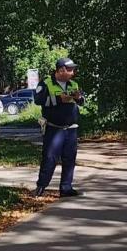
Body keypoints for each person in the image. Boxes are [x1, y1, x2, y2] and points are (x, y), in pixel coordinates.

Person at [33, 58, 84, 197]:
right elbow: (38, 100)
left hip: (71, 128)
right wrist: (58, 99)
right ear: (61, 70)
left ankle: (66, 187)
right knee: (50, 158)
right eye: (70, 69)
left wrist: (79, 97)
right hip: (54, 128)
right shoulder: (46, 83)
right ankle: (41, 186)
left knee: (69, 158)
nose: (72, 72)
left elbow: (81, 101)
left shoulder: (73, 84)